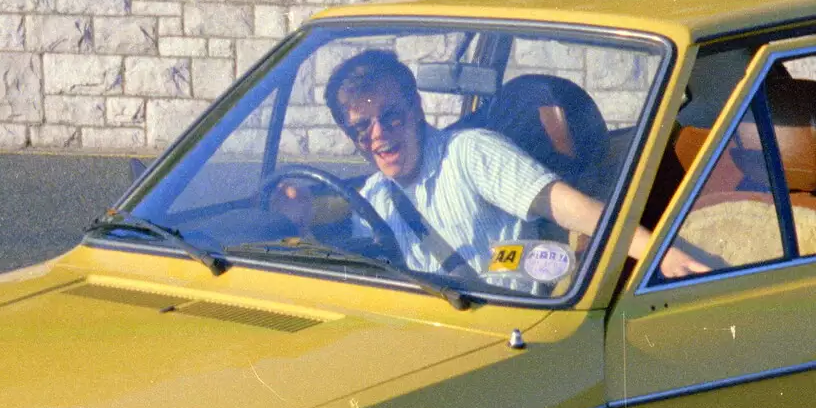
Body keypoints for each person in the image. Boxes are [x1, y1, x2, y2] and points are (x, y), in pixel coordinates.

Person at [297, 49, 706, 283]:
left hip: (515, 340)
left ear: (417, 108)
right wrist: (301, 217)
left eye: (392, 116)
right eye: (362, 127)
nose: (379, 135)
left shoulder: (471, 154)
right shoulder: (374, 198)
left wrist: (658, 253)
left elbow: (575, 210)